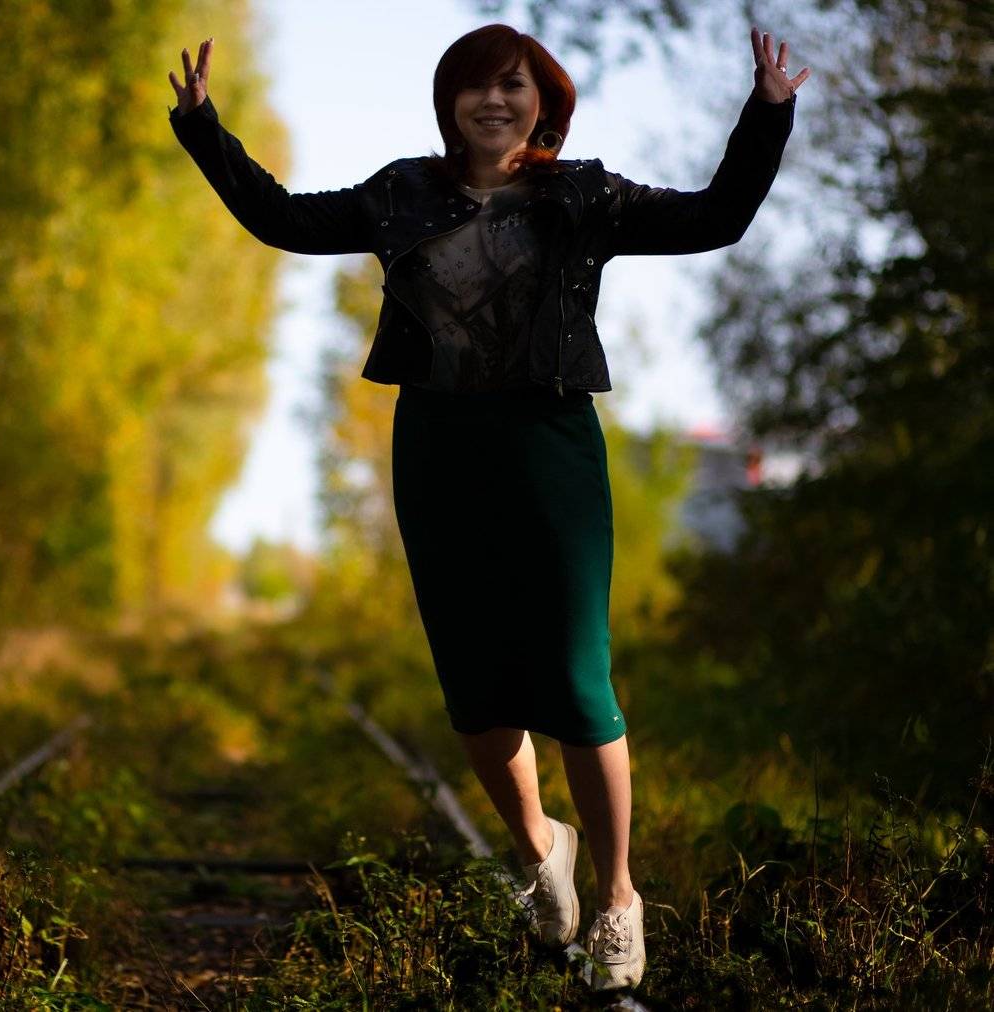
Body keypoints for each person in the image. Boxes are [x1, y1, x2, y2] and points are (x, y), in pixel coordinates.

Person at [167, 22, 807, 993]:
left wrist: (767, 113)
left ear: (542, 102)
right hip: (439, 447)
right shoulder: (401, 194)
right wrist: (203, 127)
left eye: (512, 85)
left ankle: (619, 896)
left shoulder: (582, 196)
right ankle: (540, 846)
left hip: (550, 443)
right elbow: (281, 219)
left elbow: (717, 216)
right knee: (475, 688)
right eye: (475, 86)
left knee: (577, 681)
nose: (494, 101)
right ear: (450, 104)